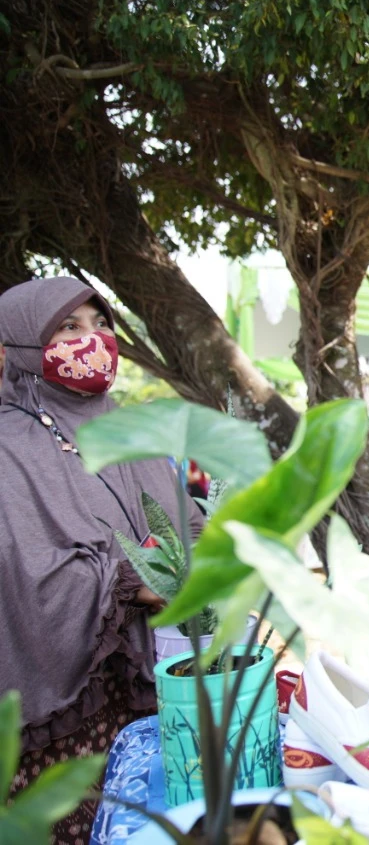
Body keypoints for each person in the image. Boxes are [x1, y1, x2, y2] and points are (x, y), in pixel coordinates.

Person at [0, 278, 196, 845]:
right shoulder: (10, 449)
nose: (94, 340)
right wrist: (131, 581)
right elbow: (27, 578)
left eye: (101, 324)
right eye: (69, 327)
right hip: (69, 723)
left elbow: (187, 524)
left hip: (156, 687)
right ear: (25, 346)